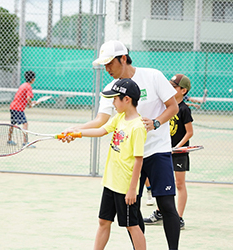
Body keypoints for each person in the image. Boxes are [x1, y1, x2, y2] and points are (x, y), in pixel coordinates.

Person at [63, 40, 181, 250]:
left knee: (166, 205)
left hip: (157, 151)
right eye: (104, 65)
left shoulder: (153, 76)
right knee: (132, 213)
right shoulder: (112, 89)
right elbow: (101, 122)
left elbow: (173, 107)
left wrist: (156, 123)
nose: (106, 69)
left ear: (123, 59)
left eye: (110, 63)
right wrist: (74, 130)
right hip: (129, 160)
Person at [72, 78, 147, 250]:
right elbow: (100, 131)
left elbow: (138, 160)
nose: (113, 103)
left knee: (131, 225)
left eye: (115, 99)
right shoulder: (119, 117)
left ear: (126, 99)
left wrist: (132, 189)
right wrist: (77, 132)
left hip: (125, 186)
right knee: (104, 221)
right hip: (111, 182)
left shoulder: (137, 127)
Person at [144, 74, 194, 230]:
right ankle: (160, 213)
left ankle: (178, 217)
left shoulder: (184, 109)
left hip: (179, 152)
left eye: (174, 87)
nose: (170, 89)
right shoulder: (165, 106)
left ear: (183, 90)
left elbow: (189, 132)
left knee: (179, 184)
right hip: (163, 150)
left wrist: (177, 147)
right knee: (163, 183)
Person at [8, 71, 37, 147]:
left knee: (12, 124)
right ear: (33, 79)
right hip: (18, 109)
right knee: (25, 124)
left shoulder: (23, 85)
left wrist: (31, 103)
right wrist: (30, 104)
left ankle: (9, 140)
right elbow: (28, 98)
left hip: (13, 107)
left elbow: (23, 98)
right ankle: (25, 142)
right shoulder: (28, 86)